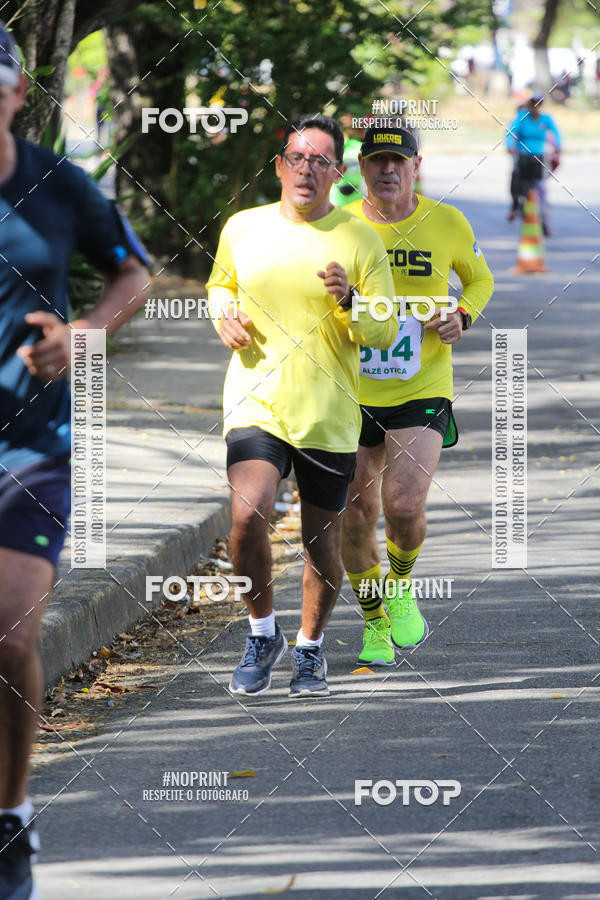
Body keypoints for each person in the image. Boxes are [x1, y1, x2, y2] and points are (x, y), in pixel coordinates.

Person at [0, 23, 150, 899]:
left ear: (19, 93)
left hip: (31, 444)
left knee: (11, 629)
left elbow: (131, 271)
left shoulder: (59, 184)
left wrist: (82, 340)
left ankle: (10, 816)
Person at [207, 114, 397, 700]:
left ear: (338, 172)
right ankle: (262, 631)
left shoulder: (359, 238)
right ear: (279, 166)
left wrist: (352, 299)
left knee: (322, 540)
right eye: (297, 157)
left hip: (328, 414)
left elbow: (384, 333)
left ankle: (310, 650)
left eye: (320, 161)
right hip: (256, 400)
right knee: (247, 514)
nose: (306, 169)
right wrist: (223, 316)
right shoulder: (243, 227)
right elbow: (221, 284)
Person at [341, 120, 494, 666]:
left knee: (403, 506)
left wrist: (461, 314)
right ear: (360, 168)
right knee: (355, 514)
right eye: (376, 161)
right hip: (350, 388)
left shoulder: (445, 222)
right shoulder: (340, 228)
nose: (387, 170)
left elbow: (480, 279)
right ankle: (374, 621)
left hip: (423, 383)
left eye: (397, 161)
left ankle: (401, 585)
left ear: (415, 167)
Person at [506, 93, 561, 236]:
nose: (535, 107)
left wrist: (558, 146)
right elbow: (510, 131)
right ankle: (515, 205)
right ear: (528, 105)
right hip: (523, 156)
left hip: (539, 157)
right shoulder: (522, 117)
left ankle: (544, 224)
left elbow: (556, 133)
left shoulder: (545, 119)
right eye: (533, 104)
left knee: (541, 190)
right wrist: (509, 145)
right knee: (516, 184)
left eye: (539, 104)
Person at [330, 113, 365, 207]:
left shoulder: (360, 146)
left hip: (357, 197)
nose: (347, 129)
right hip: (336, 198)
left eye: (350, 126)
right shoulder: (334, 146)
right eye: (344, 126)